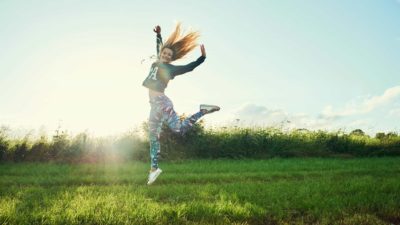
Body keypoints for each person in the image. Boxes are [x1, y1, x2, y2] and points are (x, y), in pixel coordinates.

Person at [142, 24, 220, 185]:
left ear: (171, 58)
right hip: (153, 106)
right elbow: (159, 48)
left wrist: (202, 58)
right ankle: (154, 169)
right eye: (164, 52)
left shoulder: (170, 69)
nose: (165, 55)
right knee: (153, 137)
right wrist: (158, 35)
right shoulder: (156, 63)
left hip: (162, 103)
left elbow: (188, 68)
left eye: (168, 55)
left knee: (178, 129)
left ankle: (202, 111)